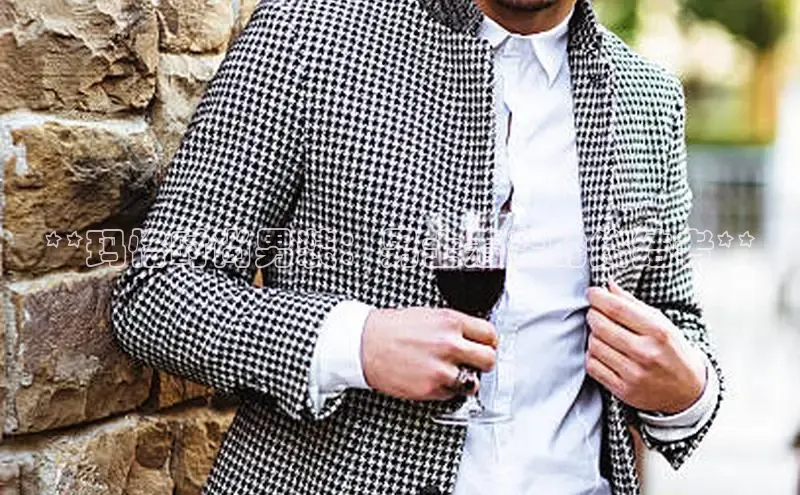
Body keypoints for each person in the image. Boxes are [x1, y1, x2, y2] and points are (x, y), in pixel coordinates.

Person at [109, 0, 724, 493]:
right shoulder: (308, 32)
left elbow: (675, 321)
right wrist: (356, 343)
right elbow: (157, 291)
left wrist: (688, 392)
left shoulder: (649, 98)